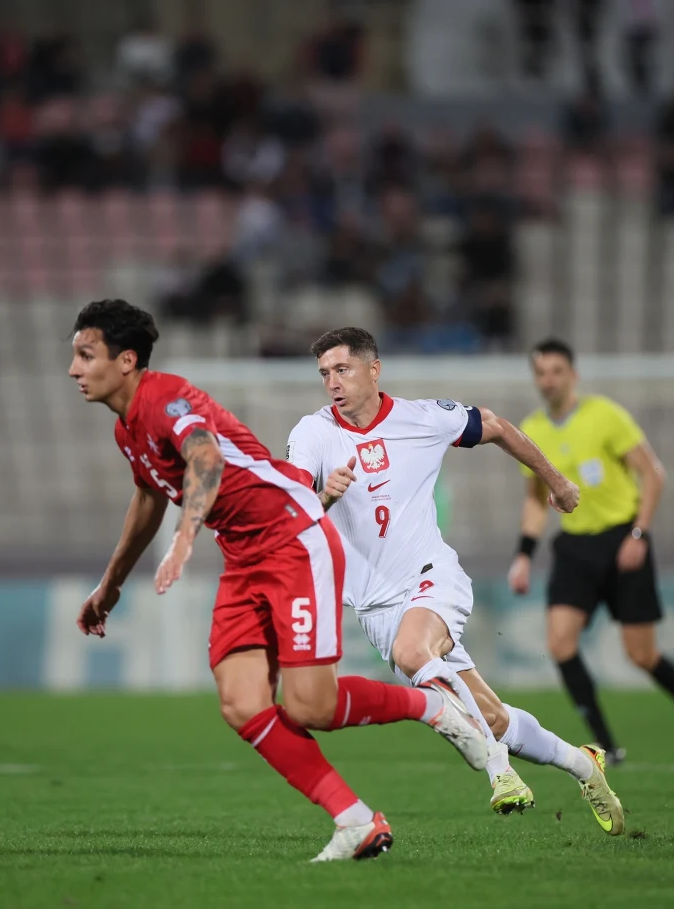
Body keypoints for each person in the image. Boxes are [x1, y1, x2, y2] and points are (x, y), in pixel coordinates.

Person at [68, 300, 489, 862]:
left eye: (84, 354)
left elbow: (206, 458)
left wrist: (186, 534)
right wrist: (111, 585)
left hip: (294, 537)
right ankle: (355, 820)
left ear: (125, 360)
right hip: (244, 556)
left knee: (310, 706)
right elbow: (147, 496)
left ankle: (432, 707)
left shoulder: (167, 398)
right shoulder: (129, 430)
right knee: (242, 703)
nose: (73, 368)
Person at [285, 327, 626, 835]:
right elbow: (292, 511)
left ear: (373, 369)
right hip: (375, 608)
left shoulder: (421, 418)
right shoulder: (313, 434)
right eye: (325, 374)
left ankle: (501, 774)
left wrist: (555, 481)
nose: (332, 382)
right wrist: (325, 497)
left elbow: (495, 426)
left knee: (413, 653)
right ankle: (583, 765)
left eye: (342, 369)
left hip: (431, 577)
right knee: (489, 718)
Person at [508, 339, 674, 764]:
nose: (548, 380)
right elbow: (534, 498)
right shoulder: (533, 430)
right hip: (574, 547)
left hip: (622, 540)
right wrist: (524, 554)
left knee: (640, 654)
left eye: (556, 371)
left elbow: (653, 474)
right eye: (541, 373)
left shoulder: (605, 416)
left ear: (573, 375)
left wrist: (639, 535)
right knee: (560, 644)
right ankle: (608, 747)